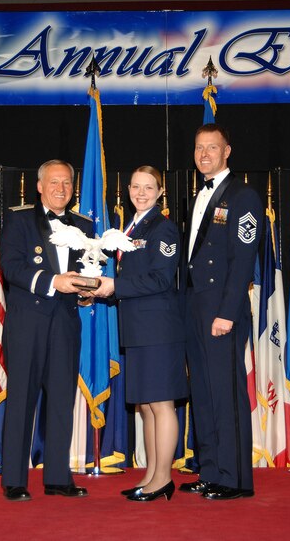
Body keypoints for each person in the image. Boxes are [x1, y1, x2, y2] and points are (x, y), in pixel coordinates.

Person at [0, 159, 94, 501]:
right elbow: (11, 267)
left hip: (65, 323)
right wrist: (54, 281)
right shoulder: (20, 220)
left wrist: (86, 291)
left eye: (67, 183)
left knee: (61, 402)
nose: (60, 189)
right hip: (28, 323)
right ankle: (13, 479)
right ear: (39, 186)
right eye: (54, 183)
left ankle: (57, 477)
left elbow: (87, 269)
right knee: (22, 399)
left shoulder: (84, 224)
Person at [91, 166, 186, 502]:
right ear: (128, 188)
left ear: (160, 192)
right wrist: (100, 287)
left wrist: (114, 285)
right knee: (145, 407)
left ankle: (163, 479)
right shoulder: (131, 228)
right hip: (137, 328)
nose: (142, 193)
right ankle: (150, 475)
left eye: (149, 188)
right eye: (136, 186)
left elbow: (161, 279)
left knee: (162, 405)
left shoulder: (163, 228)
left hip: (158, 329)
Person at [179, 123, 261, 500]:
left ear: (228, 151)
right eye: (199, 148)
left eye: (212, 148)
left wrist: (227, 312)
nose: (205, 155)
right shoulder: (197, 196)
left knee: (225, 394)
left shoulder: (243, 196)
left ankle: (233, 478)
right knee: (204, 392)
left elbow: (242, 260)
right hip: (195, 307)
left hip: (222, 309)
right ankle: (210, 470)